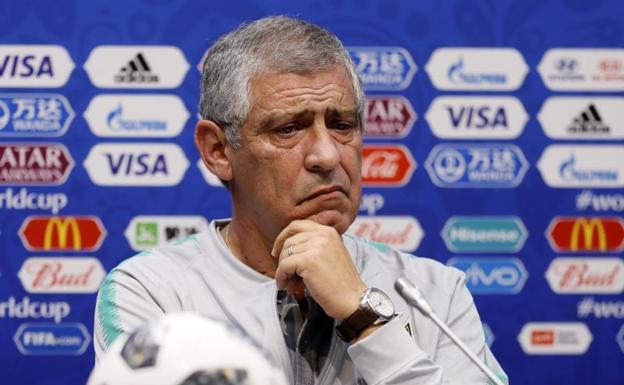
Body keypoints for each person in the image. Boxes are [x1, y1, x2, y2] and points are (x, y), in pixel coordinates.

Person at [94, 15, 507, 385]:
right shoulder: (153, 293)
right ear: (218, 151)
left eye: (342, 124)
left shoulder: (434, 292)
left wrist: (363, 317)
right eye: (289, 129)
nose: (327, 156)